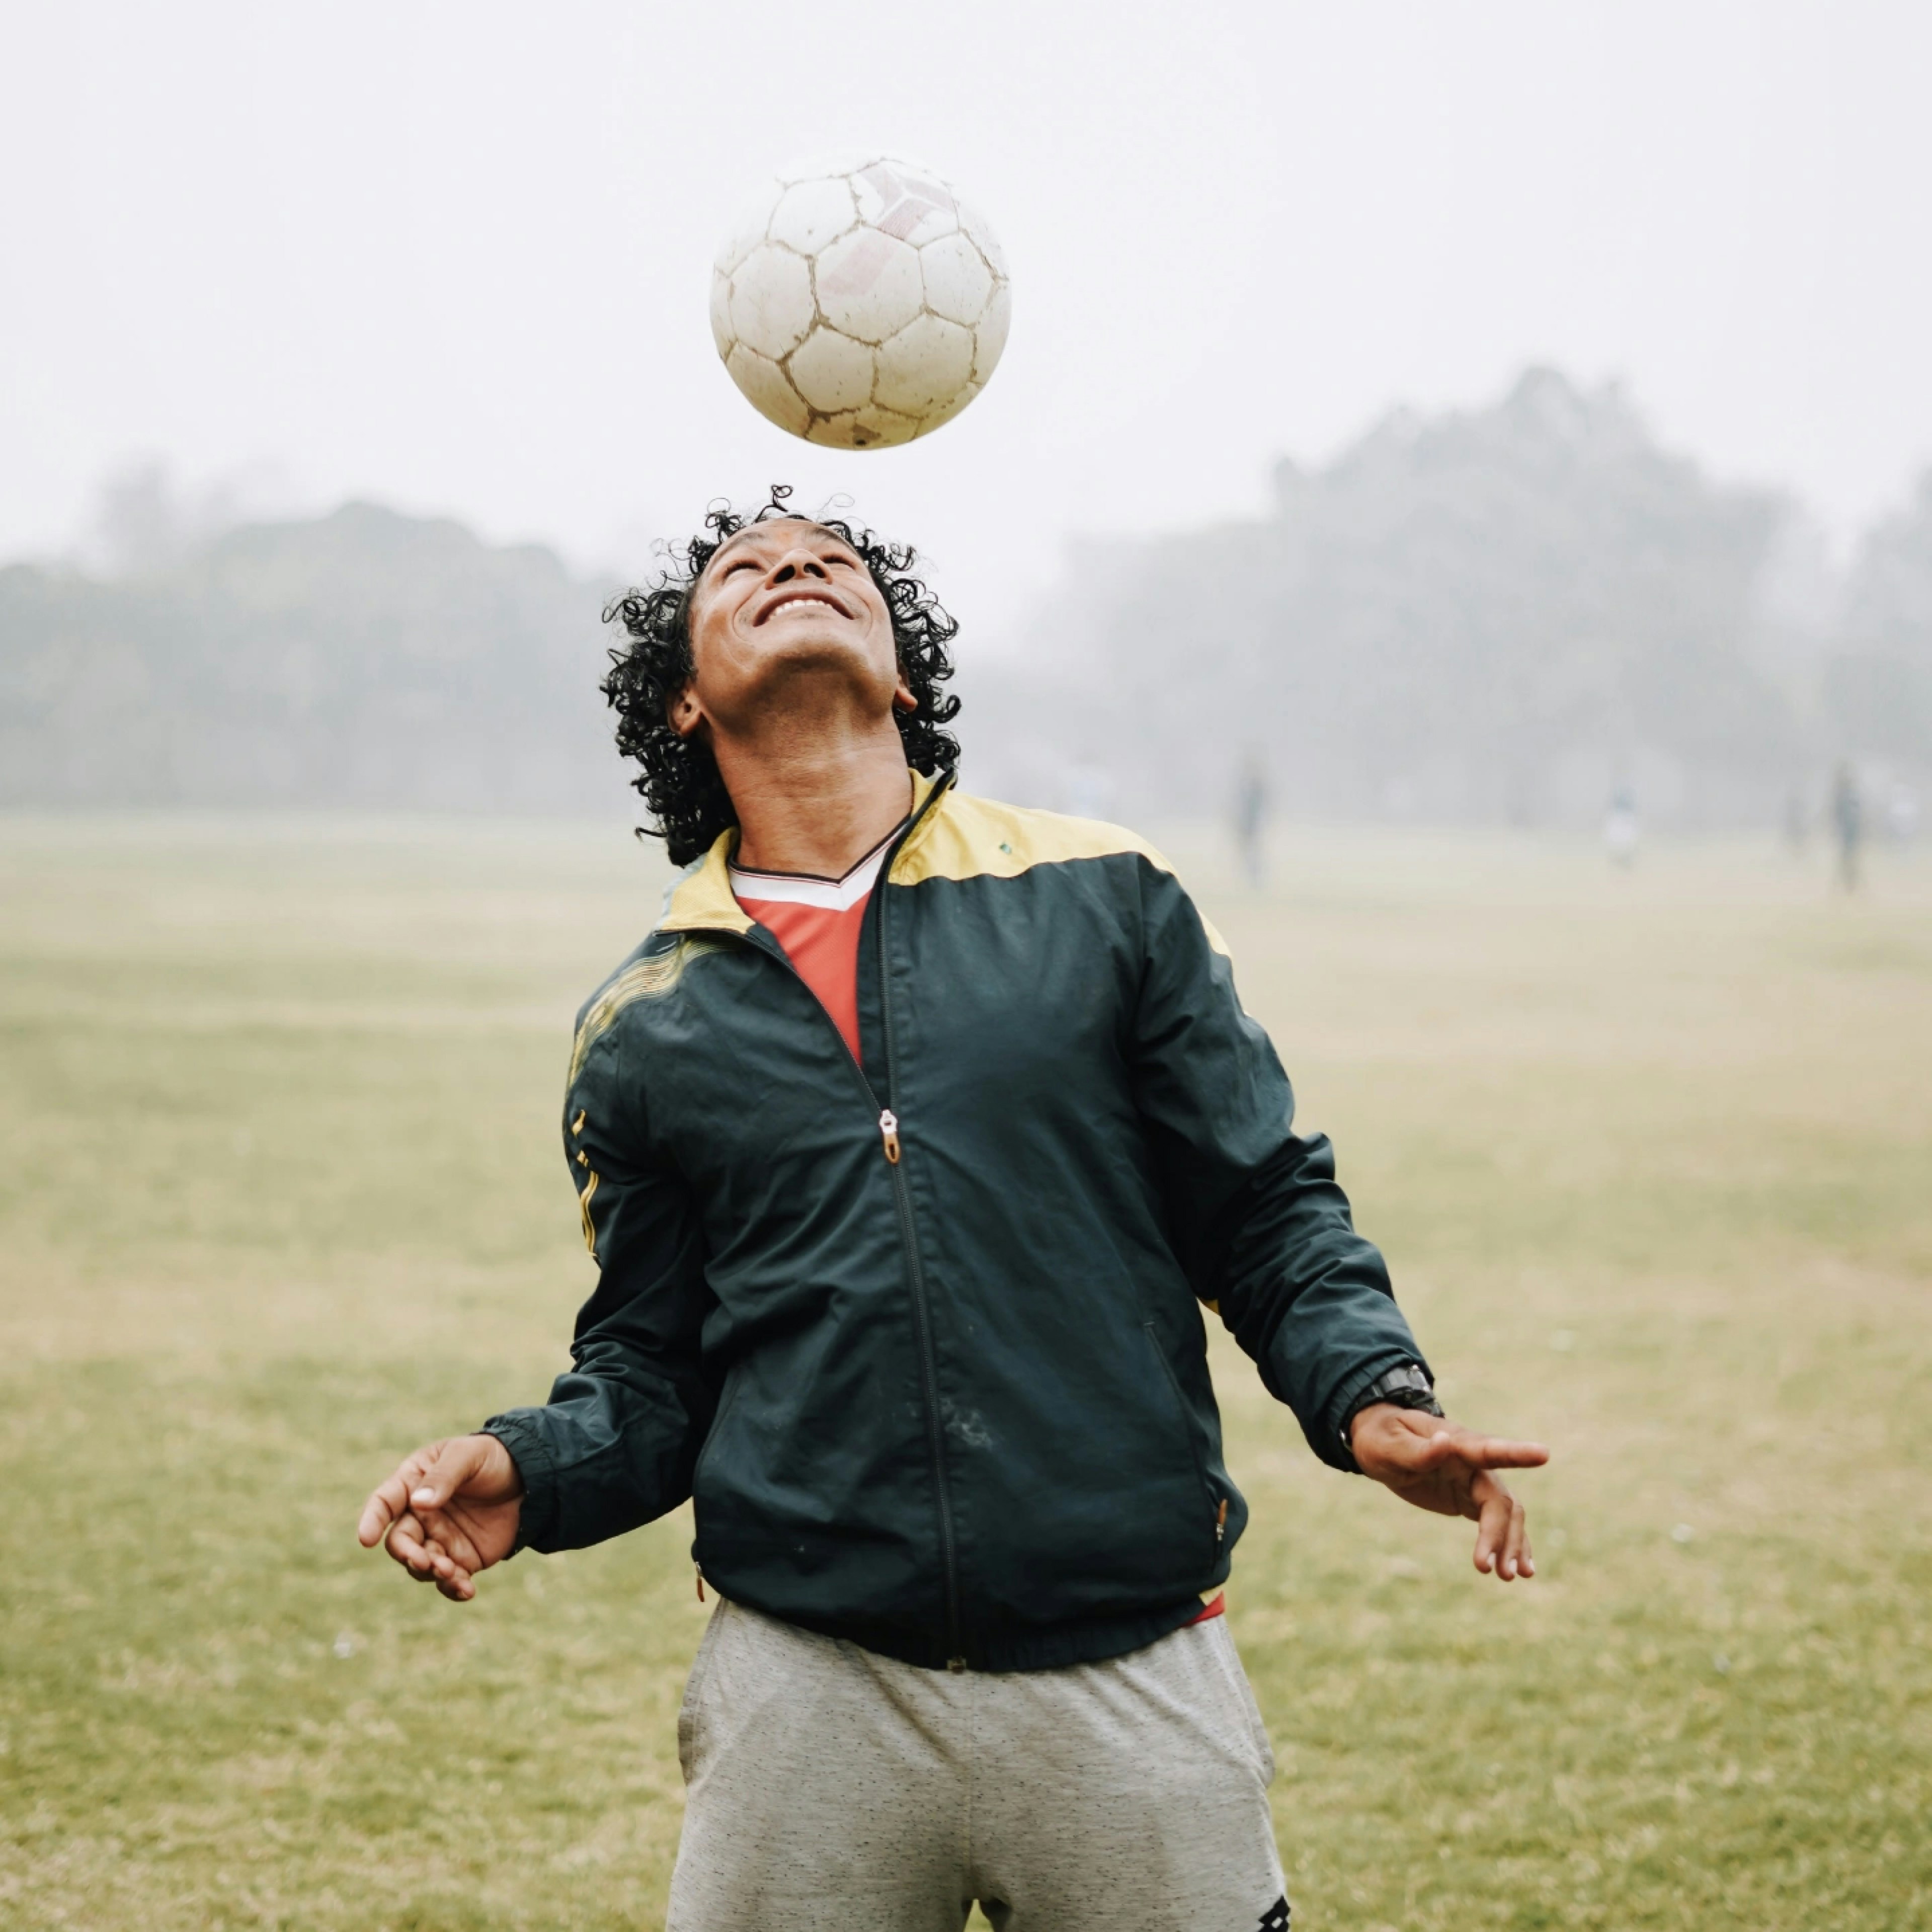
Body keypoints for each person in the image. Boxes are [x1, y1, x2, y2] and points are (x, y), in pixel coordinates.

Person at [357, 491, 1548, 1932]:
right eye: (745, 571)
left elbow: (1264, 1207)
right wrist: (528, 1470)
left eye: (833, 564)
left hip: (1132, 1671)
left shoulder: (1104, 894)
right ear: (679, 698)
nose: (796, 566)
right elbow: (655, 1373)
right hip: (807, 1691)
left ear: (904, 672)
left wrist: (1375, 1397)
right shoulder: (645, 1021)